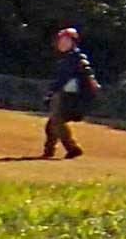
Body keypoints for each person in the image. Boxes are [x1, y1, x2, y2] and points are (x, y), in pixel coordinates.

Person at [41, 27, 96, 160]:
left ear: (73, 43)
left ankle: (72, 148)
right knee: (51, 125)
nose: (62, 43)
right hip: (65, 95)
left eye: (66, 41)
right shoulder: (65, 59)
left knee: (56, 121)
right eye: (61, 41)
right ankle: (49, 150)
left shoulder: (77, 58)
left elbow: (85, 77)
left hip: (70, 97)